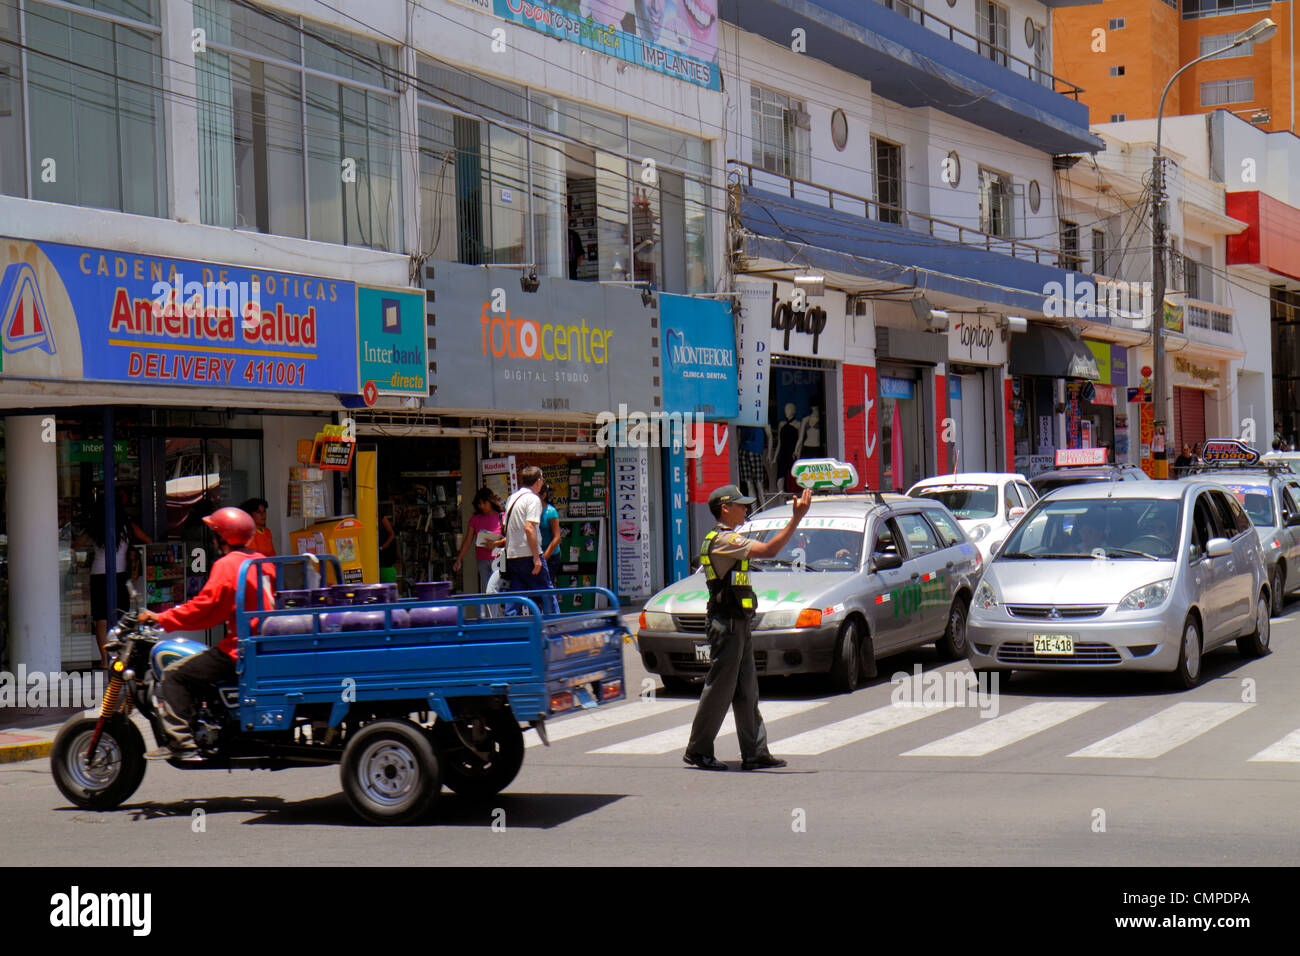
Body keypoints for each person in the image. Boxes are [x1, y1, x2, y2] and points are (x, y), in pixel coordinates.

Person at [683, 483, 812, 772]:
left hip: (737, 620)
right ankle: (698, 750)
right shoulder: (723, 540)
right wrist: (796, 519)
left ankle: (754, 752)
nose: (746, 508)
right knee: (720, 688)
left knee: (747, 688)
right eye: (741, 504)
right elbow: (769, 549)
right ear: (725, 508)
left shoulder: (730, 537)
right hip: (726, 622)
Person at [138, 507, 275, 759]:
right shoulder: (261, 561)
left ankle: (181, 741)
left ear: (221, 538)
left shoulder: (227, 565)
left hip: (239, 648)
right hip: (261, 644)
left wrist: (162, 617)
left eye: (214, 533)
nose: (212, 538)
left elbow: (206, 609)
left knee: (172, 675)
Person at [77, 490, 151, 668]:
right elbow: (148, 540)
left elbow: (76, 545)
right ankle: (119, 659)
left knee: (101, 619)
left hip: (98, 575)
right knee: (121, 617)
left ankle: (104, 660)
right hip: (120, 574)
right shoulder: (127, 525)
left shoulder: (94, 526)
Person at [501, 466, 559, 614]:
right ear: (538, 481)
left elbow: (504, 525)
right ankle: (555, 625)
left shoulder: (512, 498)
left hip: (513, 555)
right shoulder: (533, 499)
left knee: (516, 593)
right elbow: (529, 528)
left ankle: (512, 626)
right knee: (547, 592)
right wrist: (536, 557)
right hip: (528, 554)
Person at [453, 487, 505, 593]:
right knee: (488, 591)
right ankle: (493, 610)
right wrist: (459, 559)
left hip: (501, 559)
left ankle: (500, 610)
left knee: (495, 590)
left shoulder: (502, 517)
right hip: (482, 560)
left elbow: (510, 539)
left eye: (484, 503)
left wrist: (495, 544)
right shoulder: (475, 520)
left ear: (490, 501)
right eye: (479, 504)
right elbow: (468, 541)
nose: (481, 506)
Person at [539, 482, 562, 589]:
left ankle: (548, 606)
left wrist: (545, 557)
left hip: (551, 555)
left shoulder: (550, 512)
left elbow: (557, 538)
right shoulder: (530, 511)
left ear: (543, 495)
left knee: (547, 585)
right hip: (536, 555)